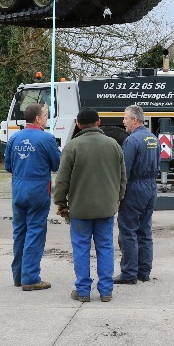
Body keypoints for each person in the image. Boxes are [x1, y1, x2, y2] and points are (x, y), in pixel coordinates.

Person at [52, 108, 126, 303]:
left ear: (78, 124)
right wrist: (118, 198)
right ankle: (106, 291)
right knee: (105, 247)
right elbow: (122, 177)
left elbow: (61, 180)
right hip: (106, 207)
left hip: (79, 208)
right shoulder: (113, 145)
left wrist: (60, 202)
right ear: (99, 122)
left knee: (81, 248)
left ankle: (83, 291)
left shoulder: (72, 146)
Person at [4, 103, 60, 291]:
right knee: (35, 231)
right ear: (37, 118)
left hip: (18, 188)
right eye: (45, 115)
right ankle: (30, 277)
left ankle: (18, 275)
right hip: (38, 189)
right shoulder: (47, 139)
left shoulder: (14, 138)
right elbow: (56, 164)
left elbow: (8, 166)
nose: (46, 118)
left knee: (19, 231)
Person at [115, 105, 159, 285]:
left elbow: (124, 170)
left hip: (135, 187)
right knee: (144, 230)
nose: (123, 122)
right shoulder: (153, 138)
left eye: (125, 118)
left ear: (134, 120)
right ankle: (144, 271)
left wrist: (119, 195)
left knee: (128, 230)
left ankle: (128, 273)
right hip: (150, 187)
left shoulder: (132, 141)